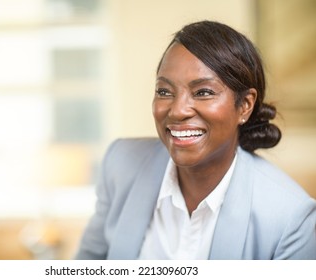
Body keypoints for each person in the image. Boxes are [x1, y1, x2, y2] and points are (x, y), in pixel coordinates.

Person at [75, 20, 316, 259]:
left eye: (203, 92)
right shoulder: (121, 163)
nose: (178, 110)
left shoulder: (291, 219)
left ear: (244, 105)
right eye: (164, 91)